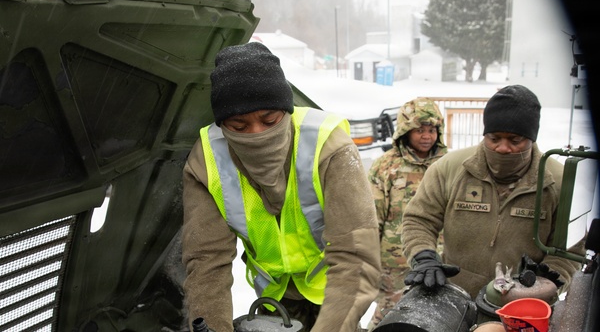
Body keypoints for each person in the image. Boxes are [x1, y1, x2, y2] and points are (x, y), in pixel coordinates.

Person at [181, 42, 380, 332]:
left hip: (336, 291)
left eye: (270, 120)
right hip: (274, 296)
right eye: (239, 126)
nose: (257, 134)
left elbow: (356, 253)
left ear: (286, 112)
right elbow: (206, 262)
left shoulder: (329, 146)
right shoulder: (207, 161)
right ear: (223, 125)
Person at [400, 85, 583, 300]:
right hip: (452, 297)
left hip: (521, 304)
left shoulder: (558, 182)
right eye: (494, 138)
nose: (503, 148)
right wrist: (423, 256)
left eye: (515, 140)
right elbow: (419, 220)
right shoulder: (451, 168)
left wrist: (545, 283)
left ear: (532, 138)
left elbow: (571, 250)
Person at [367, 98, 448, 329]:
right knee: (387, 315)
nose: (426, 136)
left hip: (437, 258)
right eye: (419, 130)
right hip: (394, 263)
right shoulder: (385, 167)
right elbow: (373, 216)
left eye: (432, 130)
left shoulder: (446, 165)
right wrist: (371, 258)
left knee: (433, 315)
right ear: (405, 131)